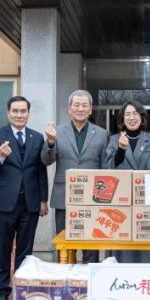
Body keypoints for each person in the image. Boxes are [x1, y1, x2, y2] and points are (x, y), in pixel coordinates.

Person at [0, 96, 48, 300]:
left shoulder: (37, 137)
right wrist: (0, 156)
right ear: (8, 112)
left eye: (23, 111)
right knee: (3, 249)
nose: (19, 115)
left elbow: (41, 171)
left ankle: (23, 291)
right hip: (4, 203)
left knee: (25, 251)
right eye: (15, 111)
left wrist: (43, 199)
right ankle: (2, 292)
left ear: (28, 113)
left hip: (30, 203)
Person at [42, 89, 108, 263]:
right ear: (69, 109)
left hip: (92, 199)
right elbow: (46, 160)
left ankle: (89, 276)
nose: (80, 109)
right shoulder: (57, 132)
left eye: (84, 105)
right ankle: (65, 277)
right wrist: (50, 142)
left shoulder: (102, 134)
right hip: (64, 196)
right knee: (65, 244)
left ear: (90, 109)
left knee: (91, 246)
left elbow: (106, 168)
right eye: (76, 105)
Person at [104, 101, 150, 263]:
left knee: (145, 237)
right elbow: (108, 169)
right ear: (122, 118)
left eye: (135, 114)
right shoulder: (114, 139)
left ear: (142, 117)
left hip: (146, 198)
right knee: (122, 240)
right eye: (128, 114)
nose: (132, 118)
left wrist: (140, 187)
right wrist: (121, 150)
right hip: (121, 199)